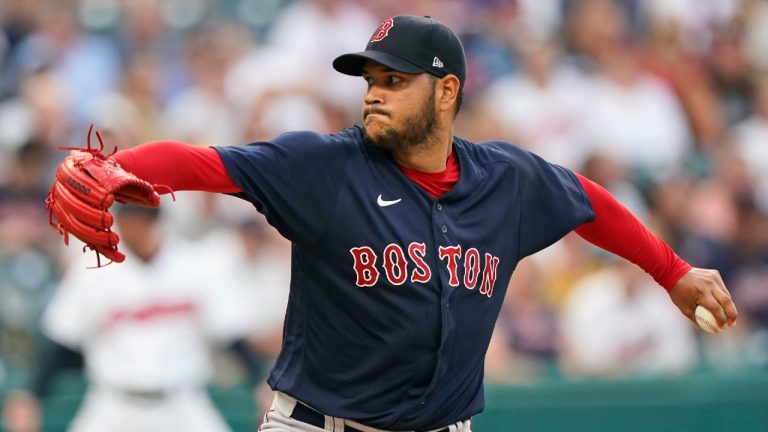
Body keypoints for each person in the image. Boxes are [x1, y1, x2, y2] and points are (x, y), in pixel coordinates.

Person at [54, 15, 738, 432]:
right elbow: (205, 163)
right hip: (316, 426)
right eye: (370, 80)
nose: (374, 94)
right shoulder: (323, 167)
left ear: (446, 92)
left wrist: (672, 272)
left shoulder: (506, 181)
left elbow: (592, 203)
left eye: (394, 81)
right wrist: (114, 167)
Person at [39, 205, 256, 432]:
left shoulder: (196, 265)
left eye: (139, 219)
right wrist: (34, 395)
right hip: (114, 403)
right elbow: (62, 340)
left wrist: (259, 381)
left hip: (182, 401)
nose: (131, 227)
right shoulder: (93, 270)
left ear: (155, 222)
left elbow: (233, 336)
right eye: (127, 218)